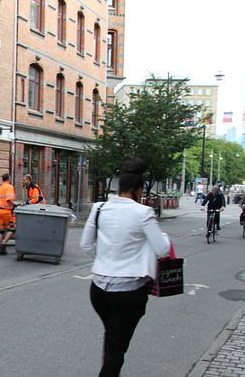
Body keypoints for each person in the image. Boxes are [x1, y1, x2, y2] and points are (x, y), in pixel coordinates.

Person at [80, 158, 171, 377]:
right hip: (129, 291)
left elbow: (85, 244)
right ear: (138, 190)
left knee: (112, 337)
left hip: (99, 289)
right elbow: (163, 250)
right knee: (116, 347)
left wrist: (103, 260)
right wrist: (165, 238)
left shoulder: (99, 208)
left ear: (119, 187)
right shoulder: (143, 213)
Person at [0, 173, 16, 255]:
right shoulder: (9, 187)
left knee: (0, 231)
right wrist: (15, 204)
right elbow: (9, 200)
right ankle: (4, 243)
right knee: (12, 228)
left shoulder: (0, 188)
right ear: (8, 178)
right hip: (7, 212)